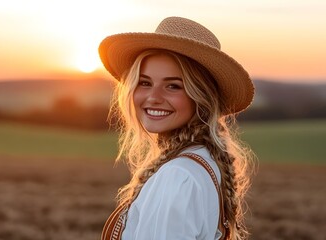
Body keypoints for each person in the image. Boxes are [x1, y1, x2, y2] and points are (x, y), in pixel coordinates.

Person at [99, 16, 256, 240]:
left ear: (201, 97)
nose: (153, 97)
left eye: (173, 86)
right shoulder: (202, 160)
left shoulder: (178, 176)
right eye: (145, 82)